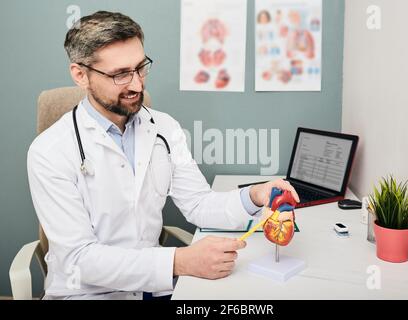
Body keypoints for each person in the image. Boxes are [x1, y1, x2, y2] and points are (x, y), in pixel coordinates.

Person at [27, 11, 299, 300]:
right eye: (121, 74)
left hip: (152, 287)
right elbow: (78, 260)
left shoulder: (164, 128)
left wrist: (255, 195)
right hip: (86, 294)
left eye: (141, 67)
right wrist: (180, 262)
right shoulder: (49, 152)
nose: (137, 84)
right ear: (81, 75)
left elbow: (198, 203)